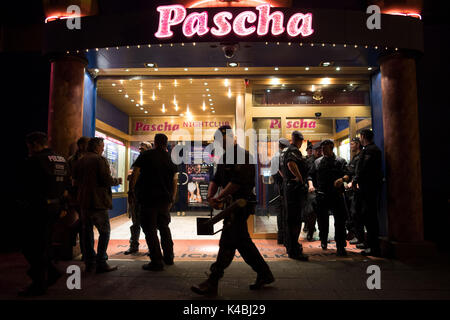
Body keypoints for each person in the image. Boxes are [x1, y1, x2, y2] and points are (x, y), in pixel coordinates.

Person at [191, 125, 274, 296]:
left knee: (227, 242)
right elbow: (215, 179)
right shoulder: (223, 158)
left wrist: (219, 198)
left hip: (239, 206)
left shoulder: (243, 155)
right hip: (229, 206)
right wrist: (210, 197)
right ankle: (265, 274)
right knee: (242, 243)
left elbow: (236, 182)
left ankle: (213, 281)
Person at [19, 132, 68, 296]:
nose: (29, 150)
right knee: (43, 243)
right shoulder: (60, 159)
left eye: (29, 146)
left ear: (34, 144)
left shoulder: (34, 161)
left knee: (31, 246)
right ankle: (49, 274)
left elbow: (27, 188)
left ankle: (40, 283)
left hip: (38, 208)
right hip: (55, 207)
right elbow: (66, 185)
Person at [129, 134, 178, 271]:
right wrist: (172, 198)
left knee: (150, 230)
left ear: (155, 142)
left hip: (148, 198)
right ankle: (169, 257)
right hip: (164, 200)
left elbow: (136, 173)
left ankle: (156, 261)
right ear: (166, 143)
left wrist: (131, 191)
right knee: (164, 227)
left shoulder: (146, 155)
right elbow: (175, 181)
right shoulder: (170, 159)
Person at [73, 137, 121, 273]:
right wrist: (117, 180)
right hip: (98, 202)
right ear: (96, 147)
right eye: (102, 146)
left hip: (83, 202)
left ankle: (89, 262)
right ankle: (101, 262)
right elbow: (106, 180)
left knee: (87, 233)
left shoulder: (80, 160)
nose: (103, 149)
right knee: (105, 232)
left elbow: (74, 181)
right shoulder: (99, 160)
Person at [307, 139, 350, 256]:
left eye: (325, 149)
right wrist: (311, 185)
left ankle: (340, 246)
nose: (323, 151)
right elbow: (310, 175)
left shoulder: (340, 161)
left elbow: (349, 175)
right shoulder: (317, 162)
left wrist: (342, 179)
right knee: (322, 221)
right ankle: (324, 241)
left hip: (337, 195)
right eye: (322, 149)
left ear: (331, 148)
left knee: (340, 221)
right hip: (322, 195)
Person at [279, 131, 309, 261]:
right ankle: (294, 250)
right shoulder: (294, 151)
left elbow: (280, 170)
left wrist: (287, 179)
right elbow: (291, 164)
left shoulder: (284, 152)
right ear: (299, 140)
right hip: (294, 189)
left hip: (288, 187)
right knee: (295, 220)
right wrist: (300, 178)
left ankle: (290, 246)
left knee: (289, 219)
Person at [353, 129, 383, 257]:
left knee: (369, 217)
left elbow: (363, 168)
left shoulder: (369, 150)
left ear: (363, 136)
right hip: (370, 187)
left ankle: (373, 247)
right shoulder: (373, 149)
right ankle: (370, 243)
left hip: (368, 188)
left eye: (360, 136)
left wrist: (355, 180)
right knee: (368, 215)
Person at [124, 141, 152, 255]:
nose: (140, 151)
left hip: (148, 196)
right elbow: (129, 176)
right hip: (136, 196)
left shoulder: (151, 162)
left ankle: (152, 247)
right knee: (135, 223)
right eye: (140, 149)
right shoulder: (136, 162)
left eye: (143, 149)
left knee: (150, 224)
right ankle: (133, 245)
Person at [67, 136, 89, 259]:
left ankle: (85, 252)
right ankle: (85, 253)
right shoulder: (74, 160)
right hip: (79, 194)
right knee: (85, 223)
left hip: (79, 194)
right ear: (81, 146)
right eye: (87, 144)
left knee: (84, 222)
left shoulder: (73, 159)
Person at [269, 138, 290, 244]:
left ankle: (281, 236)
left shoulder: (275, 157)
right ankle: (285, 237)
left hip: (278, 185)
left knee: (280, 212)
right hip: (284, 185)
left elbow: (273, 172)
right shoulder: (283, 156)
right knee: (285, 211)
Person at [345, 137, 364, 245]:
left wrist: (352, 182)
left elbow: (359, 173)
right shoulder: (355, 157)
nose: (351, 146)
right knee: (352, 213)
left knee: (356, 213)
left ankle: (359, 237)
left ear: (357, 144)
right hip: (351, 189)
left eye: (352, 144)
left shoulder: (361, 157)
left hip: (357, 189)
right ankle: (354, 233)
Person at [303, 142, 323, 241]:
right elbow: (306, 174)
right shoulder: (308, 161)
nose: (319, 152)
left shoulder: (324, 160)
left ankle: (323, 235)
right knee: (311, 212)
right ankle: (310, 232)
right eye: (317, 150)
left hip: (322, 189)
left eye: (321, 150)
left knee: (322, 213)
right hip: (311, 189)